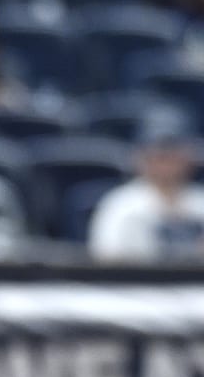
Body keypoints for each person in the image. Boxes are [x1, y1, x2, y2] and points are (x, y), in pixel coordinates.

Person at [87, 108, 204, 264]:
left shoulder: (200, 202)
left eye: (173, 152)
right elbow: (104, 264)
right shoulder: (120, 205)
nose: (166, 162)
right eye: (159, 154)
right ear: (140, 156)